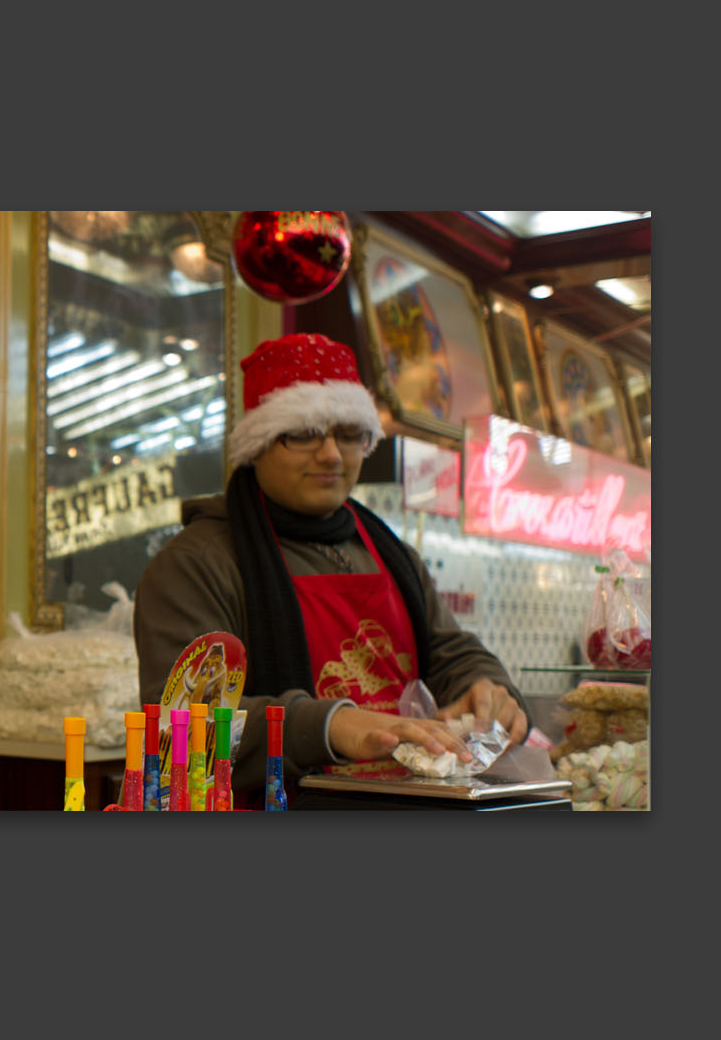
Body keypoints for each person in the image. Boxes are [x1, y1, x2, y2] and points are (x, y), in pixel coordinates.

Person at [133, 333, 528, 802]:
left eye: (348, 434)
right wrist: (328, 725)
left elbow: (451, 651)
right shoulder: (198, 563)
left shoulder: (387, 551)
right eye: (302, 433)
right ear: (257, 444)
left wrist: (486, 688)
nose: (331, 455)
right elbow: (180, 725)